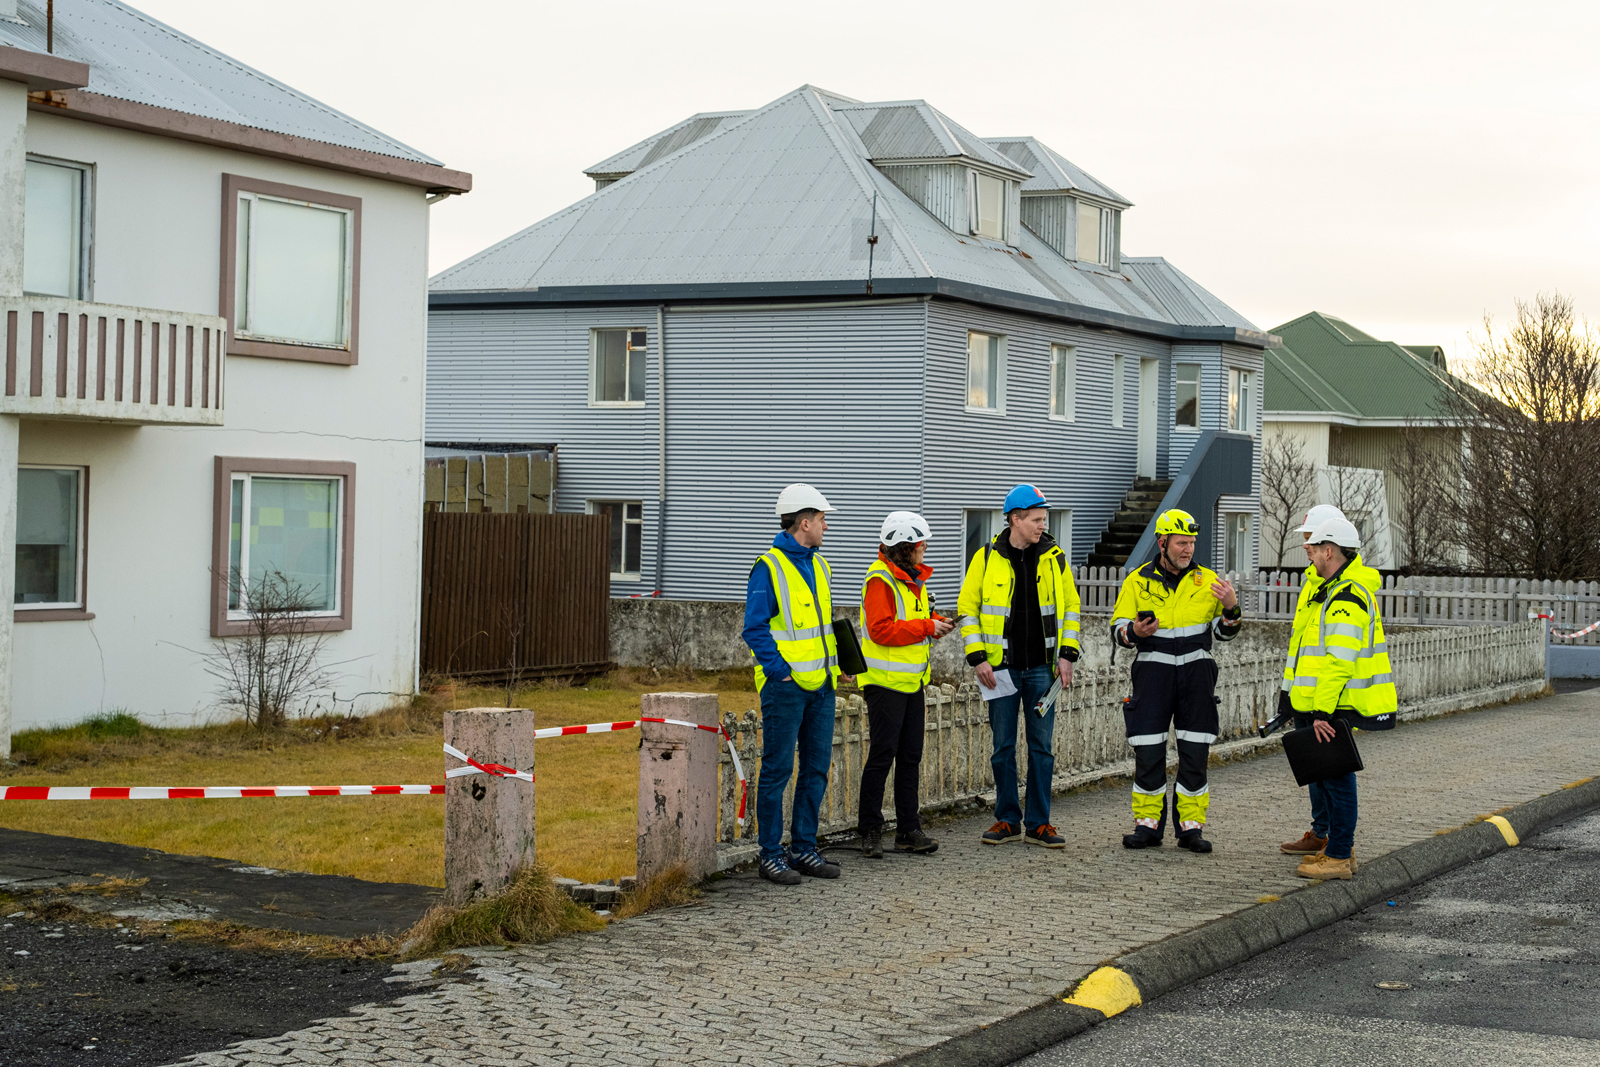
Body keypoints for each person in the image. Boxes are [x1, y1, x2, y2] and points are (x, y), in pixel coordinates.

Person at [742, 484, 854, 886]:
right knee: (777, 771)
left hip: (821, 686)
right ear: (804, 522)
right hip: (786, 688)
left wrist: (838, 664)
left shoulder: (820, 565)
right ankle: (770, 854)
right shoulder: (768, 567)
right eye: (823, 519)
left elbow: (821, 625)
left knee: (816, 770)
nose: (826, 526)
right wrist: (779, 671)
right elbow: (753, 629)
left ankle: (803, 848)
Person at [958, 484, 1082, 849]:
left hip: (1043, 670)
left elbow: (1071, 610)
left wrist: (1067, 655)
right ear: (1015, 519)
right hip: (1001, 669)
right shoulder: (985, 558)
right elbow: (968, 611)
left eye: (1044, 520)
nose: (1042, 525)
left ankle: (1039, 824)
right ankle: (1008, 820)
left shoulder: (1055, 558)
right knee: (1003, 747)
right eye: (1036, 520)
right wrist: (978, 658)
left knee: (1041, 748)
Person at [1111, 509, 1242, 853]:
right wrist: (1133, 632)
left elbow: (1223, 634)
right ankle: (1148, 826)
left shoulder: (1209, 581)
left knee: (1195, 752)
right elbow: (1117, 631)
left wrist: (1231, 608)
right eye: (1182, 543)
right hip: (1153, 677)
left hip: (1197, 677)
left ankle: (1190, 828)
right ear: (1163, 542)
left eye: (1192, 543)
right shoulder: (1138, 581)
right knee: (1149, 752)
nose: (1188, 550)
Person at [1287, 516, 1397, 879]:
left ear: (1329, 551)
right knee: (1331, 776)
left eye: (1315, 548)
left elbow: (1339, 660)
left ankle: (1337, 857)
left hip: (1336, 704)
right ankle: (1337, 851)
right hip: (1331, 702)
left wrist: (1321, 709)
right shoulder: (1334, 590)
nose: (1311, 555)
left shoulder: (1346, 596)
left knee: (1338, 778)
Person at [856, 511, 955, 858]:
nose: (925, 548)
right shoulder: (880, 580)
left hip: (912, 683)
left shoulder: (913, 579)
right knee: (882, 756)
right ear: (904, 548)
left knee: (910, 757)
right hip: (884, 684)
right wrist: (928, 628)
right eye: (920, 544)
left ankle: (908, 830)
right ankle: (869, 830)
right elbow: (882, 629)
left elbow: (915, 617)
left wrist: (938, 621)